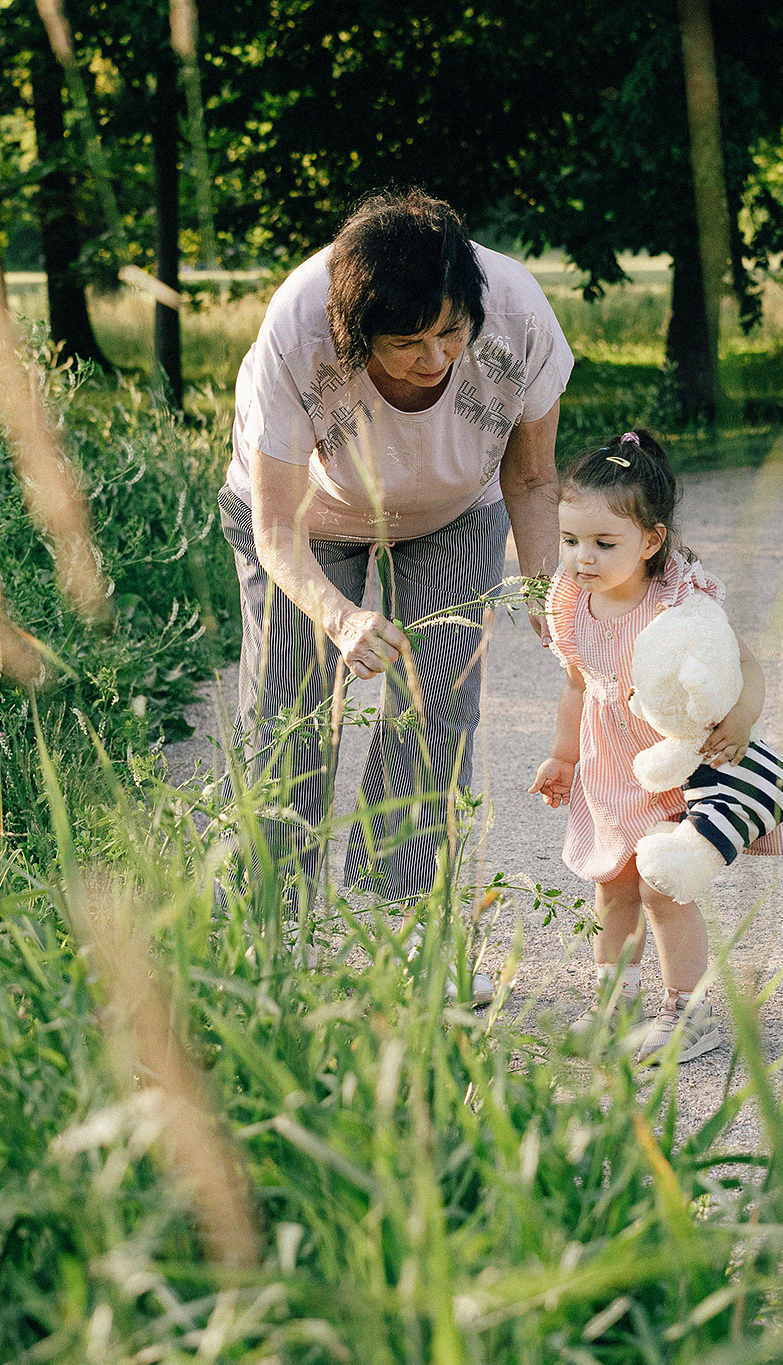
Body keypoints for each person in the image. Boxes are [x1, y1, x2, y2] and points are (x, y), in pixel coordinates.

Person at [219, 190, 572, 948]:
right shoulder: (299, 329)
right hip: (307, 521)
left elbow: (534, 479)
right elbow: (274, 524)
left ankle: (405, 931)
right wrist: (342, 619)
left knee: (437, 705)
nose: (436, 358)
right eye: (407, 343)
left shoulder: (517, 313)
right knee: (292, 715)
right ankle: (268, 935)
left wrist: (545, 583)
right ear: (356, 333)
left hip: (452, 510)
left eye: (450, 332)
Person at [527, 430, 783, 1064]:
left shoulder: (677, 603)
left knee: (662, 889)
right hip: (609, 769)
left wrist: (743, 720)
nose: (582, 558)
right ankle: (613, 1006)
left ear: (651, 542)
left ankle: (689, 1014)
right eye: (570, 541)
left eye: (603, 543)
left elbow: (747, 666)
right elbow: (577, 684)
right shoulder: (572, 604)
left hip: (675, 772)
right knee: (613, 888)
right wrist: (564, 756)